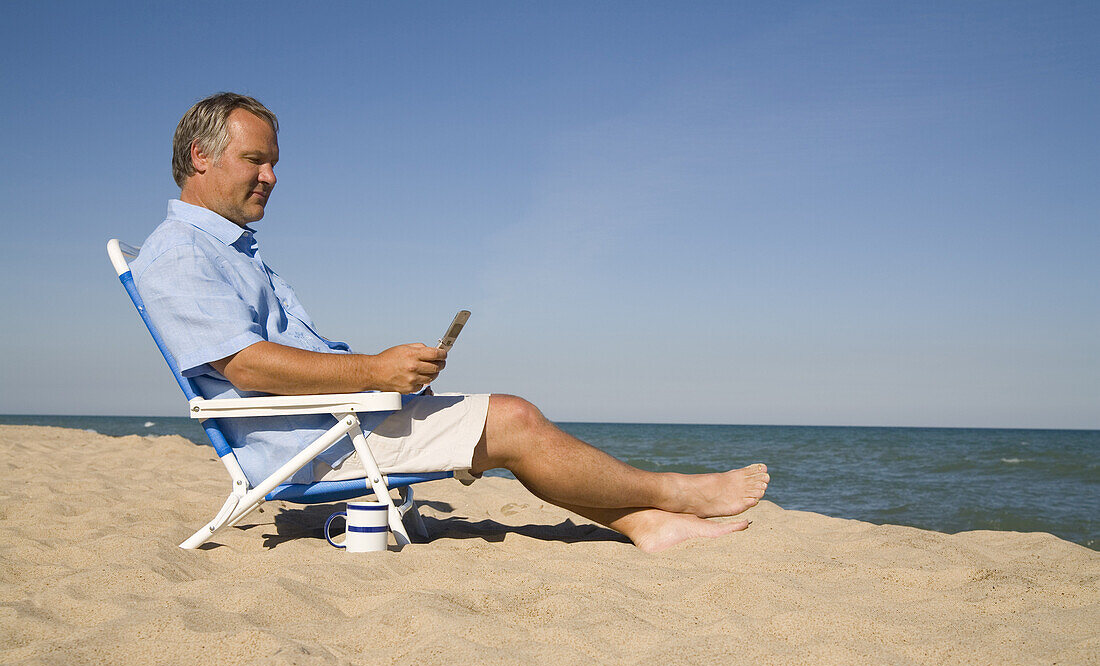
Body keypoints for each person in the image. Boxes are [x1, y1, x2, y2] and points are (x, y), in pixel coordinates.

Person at [133, 92, 769, 552]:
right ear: (201, 156)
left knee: (501, 427)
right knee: (514, 419)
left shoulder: (224, 248)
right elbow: (241, 363)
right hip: (312, 450)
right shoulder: (184, 250)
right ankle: (675, 494)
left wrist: (387, 383)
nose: (272, 176)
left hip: (337, 423)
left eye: (274, 162)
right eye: (256, 160)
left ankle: (642, 523)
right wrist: (373, 370)